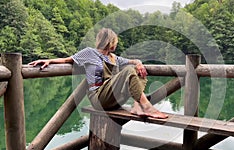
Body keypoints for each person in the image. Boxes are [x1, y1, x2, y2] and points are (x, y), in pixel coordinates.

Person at [29, 28, 168, 119]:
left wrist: (138, 62)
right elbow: (68, 60)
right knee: (129, 71)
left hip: (115, 100)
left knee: (139, 72)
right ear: (110, 41)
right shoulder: (89, 53)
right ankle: (148, 107)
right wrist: (49, 61)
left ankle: (138, 106)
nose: (116, 45)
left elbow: (132, 62)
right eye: (115, 42)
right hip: (99, 98)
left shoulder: (114, 58)